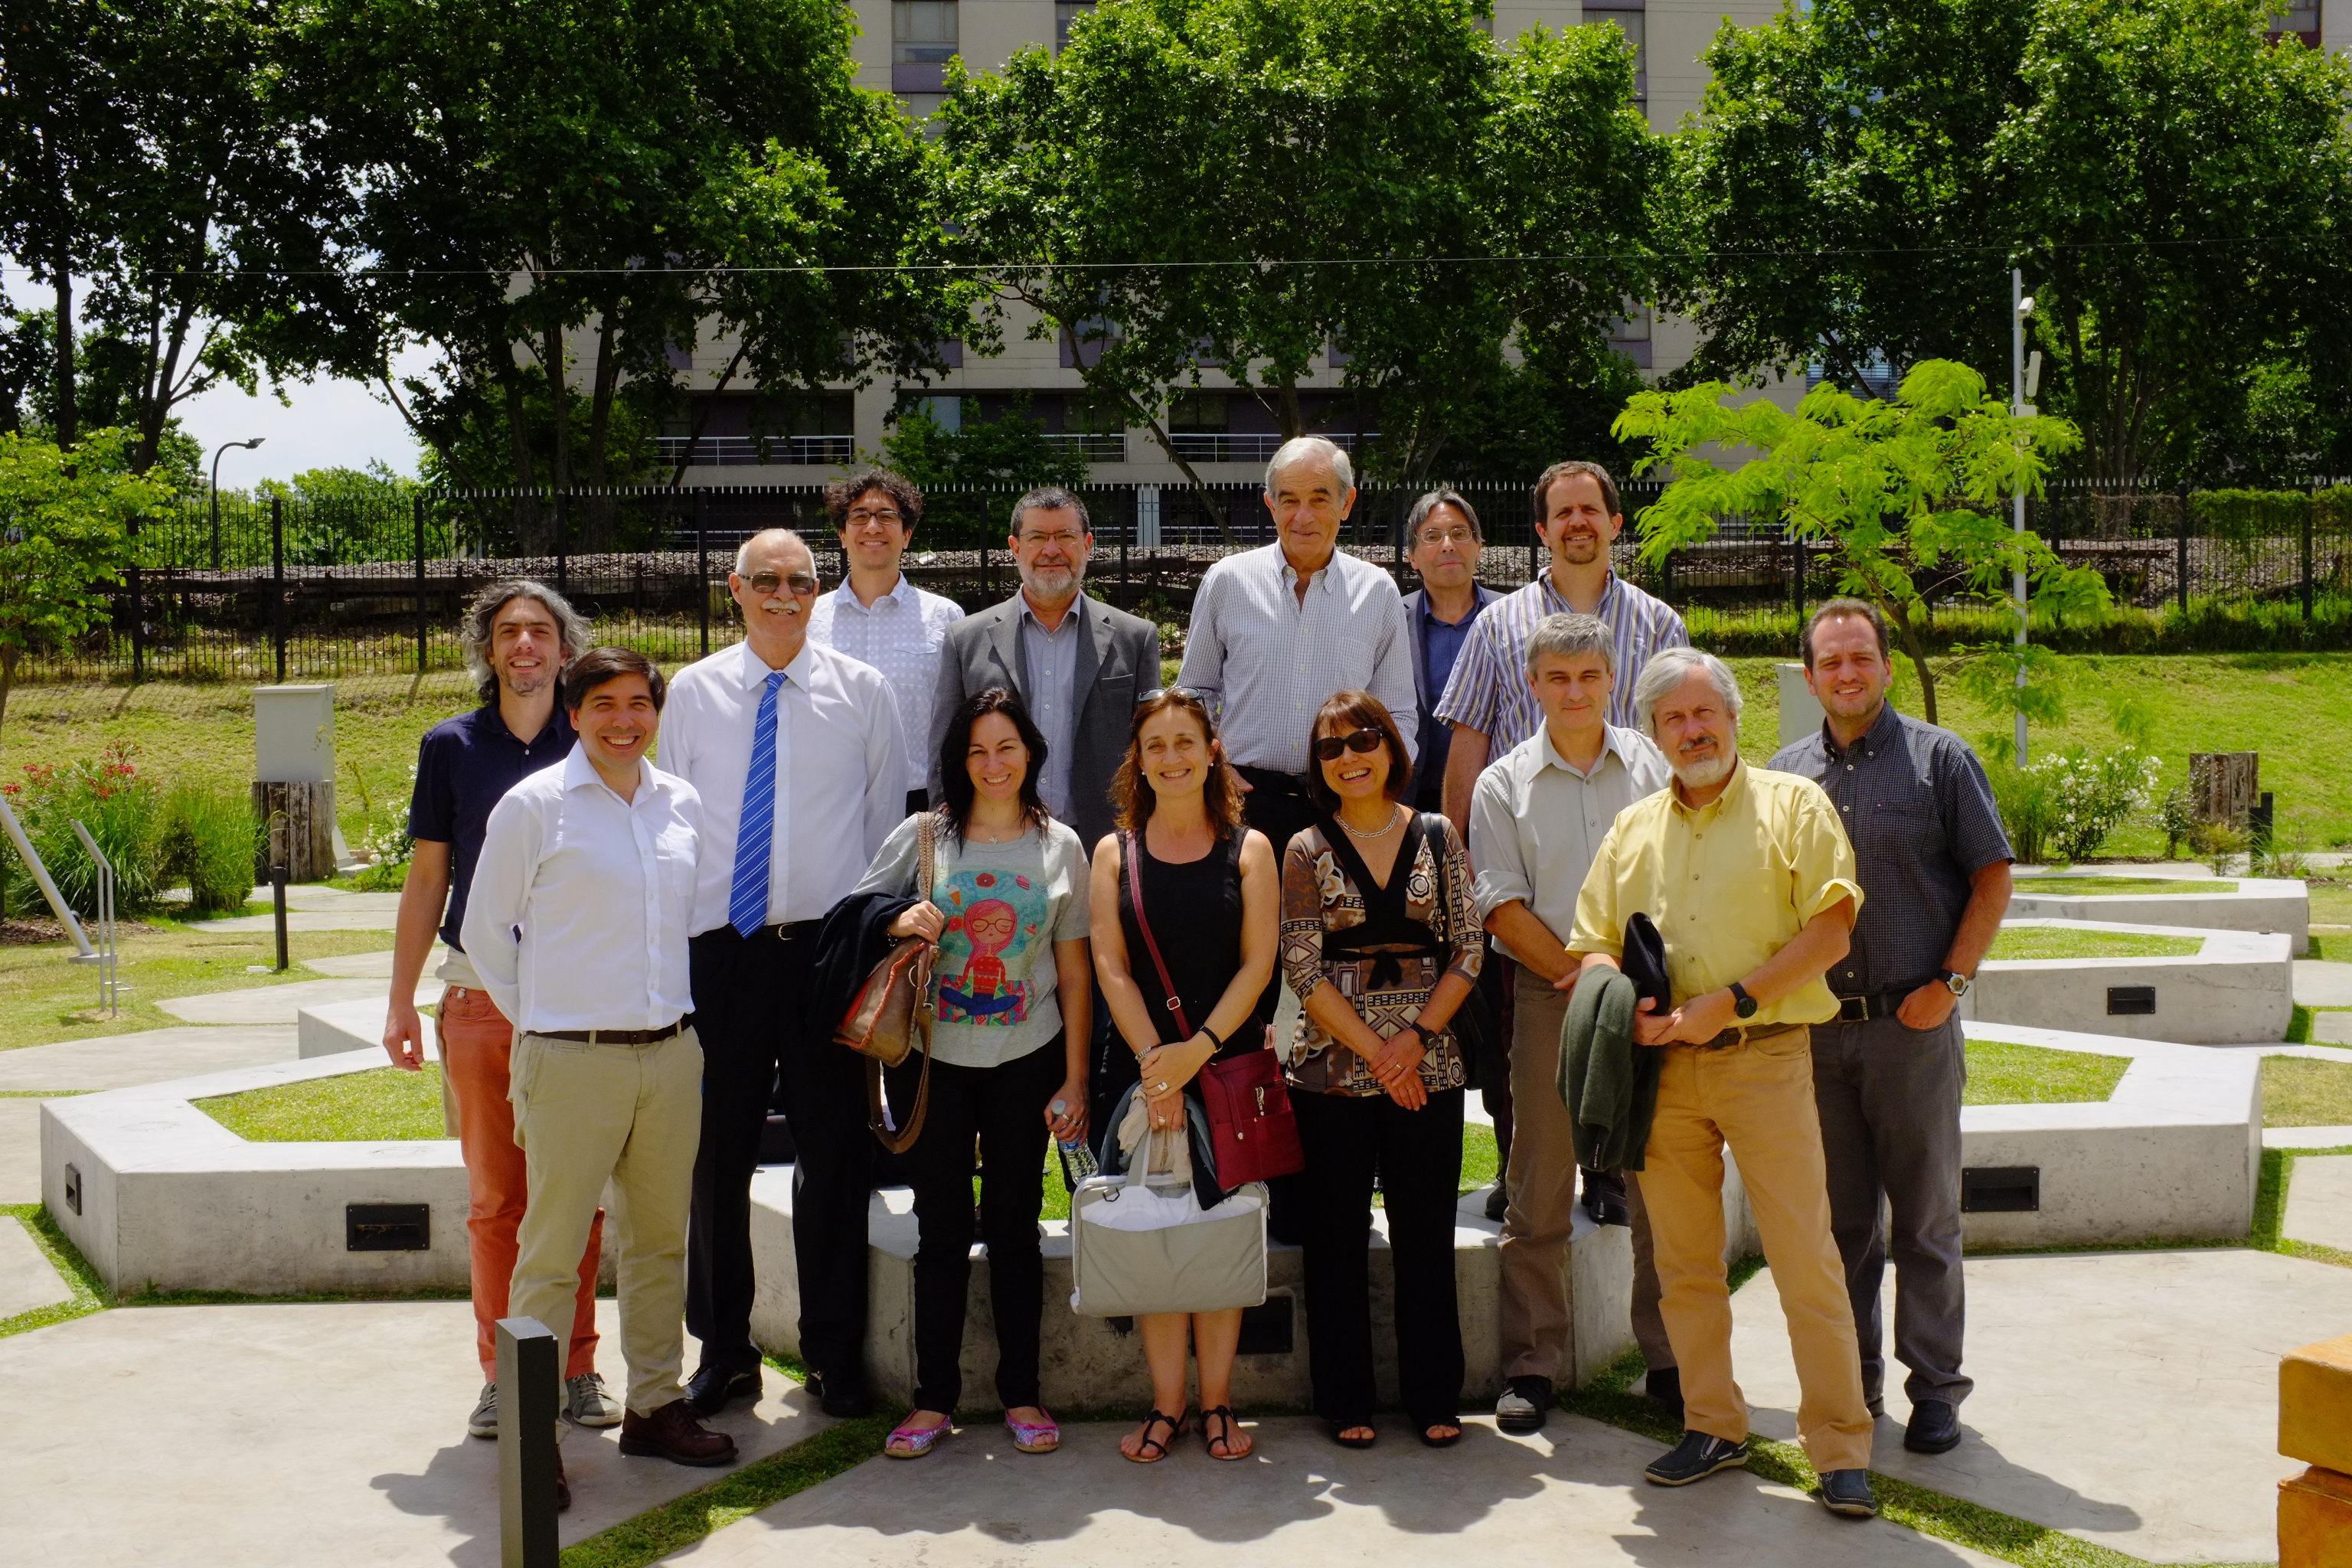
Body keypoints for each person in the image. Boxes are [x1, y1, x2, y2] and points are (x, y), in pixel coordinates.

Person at [1567, 646, 1880, 1520]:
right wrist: (1616, 1001)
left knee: (1804, 1259)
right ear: (1656, 732)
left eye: (1706, 714)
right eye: (1673, 718)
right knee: (1684, 1264)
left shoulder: (1795, 804)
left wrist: (1731, 1002)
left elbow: (1833, 927)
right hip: (1662, 1073)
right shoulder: (1632, 829)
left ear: (1735, 719)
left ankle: (1841, 1448)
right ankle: (1713, 1423)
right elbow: (1590, 940)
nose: (1693, 729)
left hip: (1768, 1056)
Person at [462, 647, 736, 1505]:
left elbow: (695, 918)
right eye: (604, 704)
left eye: (639, 703)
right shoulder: (534, 806)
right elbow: (483, 933)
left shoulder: (680, 803)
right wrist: (542, 1019)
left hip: (669, 1054)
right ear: (572, 714)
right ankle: (532, 1435)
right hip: (569, 1058)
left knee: (660, 1241)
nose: (625, 720)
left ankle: (655, 1404)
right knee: (549, 1255)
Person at [662, 527, 908, 1419]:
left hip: (826, 951)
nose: (782, 594)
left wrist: (869, 942)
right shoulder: (692, 693)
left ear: (818, 590)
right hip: (719, 952)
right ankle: (724, 1350)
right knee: (713, 1156)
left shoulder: (864, 693)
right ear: (735, 588)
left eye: (799, 580)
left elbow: (886, 835)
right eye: (764, 579)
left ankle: (835, 1351)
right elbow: (674, 826)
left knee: (834, 1156)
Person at [1769, 598, 2013, 1456]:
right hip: (1822, 1035)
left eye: (1860, 657)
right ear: (1809, 676)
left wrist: (1951, 983)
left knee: (1925, 1221)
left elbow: (1992, 876)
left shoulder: (1939, 761)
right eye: (1829, 661)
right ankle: (1855, 1381)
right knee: (1840, 1225)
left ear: (1885, 665)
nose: (1846, 673)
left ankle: (1936, 1388)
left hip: (1913, 1023)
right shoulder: (1786, 773)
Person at [381, 579, 618, 1439]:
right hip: (480, 996)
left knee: (579, 1196)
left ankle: (581, 1366)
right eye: (509, 631)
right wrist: (403, 998)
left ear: (564, 649)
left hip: (575, 1000)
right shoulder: (451, 746)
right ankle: (501, 1375)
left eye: (541, 631)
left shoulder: (595, 737)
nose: (525, 645)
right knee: (495, 1202)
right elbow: (428, 876)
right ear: (489, 649)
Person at [848, 688, 1094, 1461]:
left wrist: (1077, 1079)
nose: (993, 764)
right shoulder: (925, 835)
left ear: (1031, 755)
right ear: (958, 760)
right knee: (941, 1228)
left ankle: (1022, 1388)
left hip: (1029, 1059)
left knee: (1018, 1227)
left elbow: (1076, 971)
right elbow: (858, 913)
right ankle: (933, 1399)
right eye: (977, 751)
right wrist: (897, 918)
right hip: (933, 1062)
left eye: (1007, 748)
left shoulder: (1063, 847)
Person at [1467, 613, 1673, 1436]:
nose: (1575, 691)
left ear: (1612, 677)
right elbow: (1500, 905)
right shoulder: (1503, 783)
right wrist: (1582, 972)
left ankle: (1671, 1357)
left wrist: (1630, 980)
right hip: (1553, 994)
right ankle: (1532, 1365)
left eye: (1589, 676)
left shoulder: (1653, 763)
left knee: (1662, 1181)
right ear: (1534, 684)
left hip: (1656, 990)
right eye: (1558, 677)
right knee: (1539, 1186)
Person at [1279, 691, 1481, 1450]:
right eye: (1331, 748)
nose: (1349, 756)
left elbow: (1467, 948)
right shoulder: (1305, 848)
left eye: (1363, 739)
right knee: (1334, 1236)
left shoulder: (1436, 834)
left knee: (1425, 1230)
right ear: (1319, 766)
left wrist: (1416, 1039)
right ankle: (1345, 1398)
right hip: (1333, 1072)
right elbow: (1302, 963)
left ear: (1391, 746)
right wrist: (1377, 1048)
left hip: (1429, 1064)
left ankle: (1434, 1393)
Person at [1088, 688, 1280, 1465]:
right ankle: (1167, 1405)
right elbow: (1109, 963)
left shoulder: (1251, 848)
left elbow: (1260, 959)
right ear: (1141, 759)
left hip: (1225, 1067)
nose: (1172, 757)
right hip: (1139, 1075)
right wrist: (1157, 1072)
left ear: (1211, 751)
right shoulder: (1114, 852)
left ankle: (1218, 1403)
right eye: (1155, 745)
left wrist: (1196, 1050)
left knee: (1221, 1238)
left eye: (1185, 742)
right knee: (1156, 1237)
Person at [1178, 435, 1418, 887]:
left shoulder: (1378, 592)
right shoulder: (1228, 582)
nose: (1302, 516)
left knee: (1336, 949)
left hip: (1345, 798)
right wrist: (1214, 764)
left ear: (1347, 503)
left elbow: (1398, 713)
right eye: (1289, 500)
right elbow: (1194, 694)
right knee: (1248, 947)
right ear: (1270, 505)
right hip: (1243, 801)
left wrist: (1378, 789)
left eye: (1319, 499)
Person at [1435, 459, 1687, 828]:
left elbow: (1681, 731)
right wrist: (1458, 851)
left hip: (1637, 832)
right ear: (1544, 531)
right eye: (1564, 512)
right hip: (1525, 837)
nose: (1577, 522)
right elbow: (1470, 742)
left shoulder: (1661, 625)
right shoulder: (1495, 624)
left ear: (1614, 524)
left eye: (1589, 509)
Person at [929, 487, 1158, 863]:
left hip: (1104, 847)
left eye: (1065, 536)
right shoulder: (965, 640)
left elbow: (1152, 750)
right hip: (994, 843)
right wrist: (949, 837)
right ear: (1015, 548)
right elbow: (945, 751)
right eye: (1037, 537)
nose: (1051, 550)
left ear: (1087, 544)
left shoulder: (1135, 638)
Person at [1400, 488, 1514, 1222]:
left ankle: (1516, 1164)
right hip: (1404, 836)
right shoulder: (1389, 621)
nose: (1447, 546)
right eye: (1432, 536)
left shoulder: (1507, 621)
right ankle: (1405, 1165)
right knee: (1411, 998)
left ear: (1479, 547)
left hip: (1496, 834)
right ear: (1411, 554)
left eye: (1460, 534)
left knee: (1504, 1013)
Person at [807, 467, 964, 815]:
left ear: (907, 535)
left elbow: (961, 715)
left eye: (887, 516)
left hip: (922, 803)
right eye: (859, 516)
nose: (873, 527)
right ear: (843, 534)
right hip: (830, 800)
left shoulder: (946, 618)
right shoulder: (810, 619)